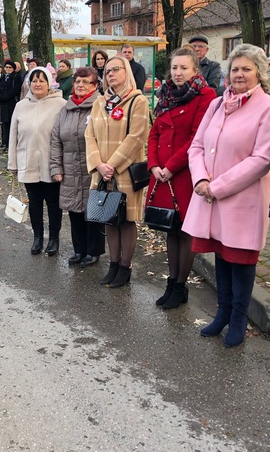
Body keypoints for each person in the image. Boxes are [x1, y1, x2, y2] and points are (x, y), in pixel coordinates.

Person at [183, 43, 270, 347]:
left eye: (247, 69)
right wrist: (200, 178)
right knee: (221, 256)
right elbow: (197, 145)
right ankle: (223, 312)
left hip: (242, 200)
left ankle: (239, 317)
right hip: (209, 196)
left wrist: (216, 187)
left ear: (260, 73)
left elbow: (262, 159)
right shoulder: (216, 104)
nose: (239, 74)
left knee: (240, 259)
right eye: (235, 69)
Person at [147, 46, 216, 310]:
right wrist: (153, 164)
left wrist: (171, 167)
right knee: (170, 229)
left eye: (184, 68)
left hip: (186, 173)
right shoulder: (165, 94)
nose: (178, 73)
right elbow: (154, 133)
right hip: (161, 174)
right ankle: (171, 282)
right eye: (175, 68)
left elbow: (197, 137)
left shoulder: (205, 95)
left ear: (195, 70)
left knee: (185, 231)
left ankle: (180, 286)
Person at [85, 55, 150, 288]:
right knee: (109, 220)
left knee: (126, 220)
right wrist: (98, 165)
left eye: (116, 69)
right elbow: (89, 134)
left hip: (124, 171)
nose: (110, 74)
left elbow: (137, 137)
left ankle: (125, 267)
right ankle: (113, 265)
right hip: (102, 172)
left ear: (126, 72)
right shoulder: (99, 102)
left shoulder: (137, 101)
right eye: (108, 71)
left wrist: (111, 165)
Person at [50, 67, 106, 267]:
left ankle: (94, 251)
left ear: (95, 85)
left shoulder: (100, 106)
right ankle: (79, 249)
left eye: (86, 82)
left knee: (93, 210)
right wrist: (56, 168)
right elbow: (56, 140)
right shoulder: (65, 109)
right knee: (74, 211)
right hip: (70, 168)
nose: (80, 85)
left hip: (92, 169)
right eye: (77, 82)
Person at [8, 67, 66, 255]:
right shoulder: (21, 106)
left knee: (53, 203)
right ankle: (37, 237)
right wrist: (13, 164)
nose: (38, 84)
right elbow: (13, 136)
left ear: (49, 83)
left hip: (52, 163)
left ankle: (54, 238)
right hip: (28, 160)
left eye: (42, 80)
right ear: (29, 83)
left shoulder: (61, 104)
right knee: (34, 202)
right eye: (34, 81)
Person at [0, 59, 22, 150]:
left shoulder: (16, 77)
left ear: (13, 68)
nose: (8, 69)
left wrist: (6, 96)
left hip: (11, 103)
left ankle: (12, 144)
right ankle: (6, 144)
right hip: (3, 104)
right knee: (5, 124)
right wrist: (0, 97)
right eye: (6, 67)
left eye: (10, 67)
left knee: (12, 124)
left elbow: (16, 90)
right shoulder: (3, 77)